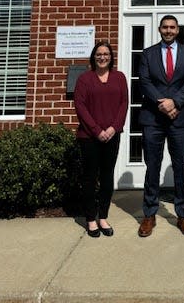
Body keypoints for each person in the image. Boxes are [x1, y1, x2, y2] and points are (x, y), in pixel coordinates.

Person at [138, 14, 184, 237]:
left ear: (178, 30)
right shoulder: (148, 54)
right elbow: (144, 81)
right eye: (165, 27)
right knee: (152, 167)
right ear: (159, 29)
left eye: (172, 27)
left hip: (179, 117)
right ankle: (149, 214)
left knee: (181, 167)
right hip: (153, 118)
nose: (169, 31)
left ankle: (183, 215)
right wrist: (161, 103)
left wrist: (176, 102)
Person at [74, 40, 129, 238]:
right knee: (89, 178)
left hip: (112, 136)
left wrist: (114, 128)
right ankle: (90, 219)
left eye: (106, 54)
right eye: (99, 54)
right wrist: (97, 130)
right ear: (93, 57)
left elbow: (124, 104)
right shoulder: (84, 79)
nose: (102, 57)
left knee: (107, 177)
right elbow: (80, 107)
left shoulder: (120, 78)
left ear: (111, 57)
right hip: (89, 137)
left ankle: (103, 216)